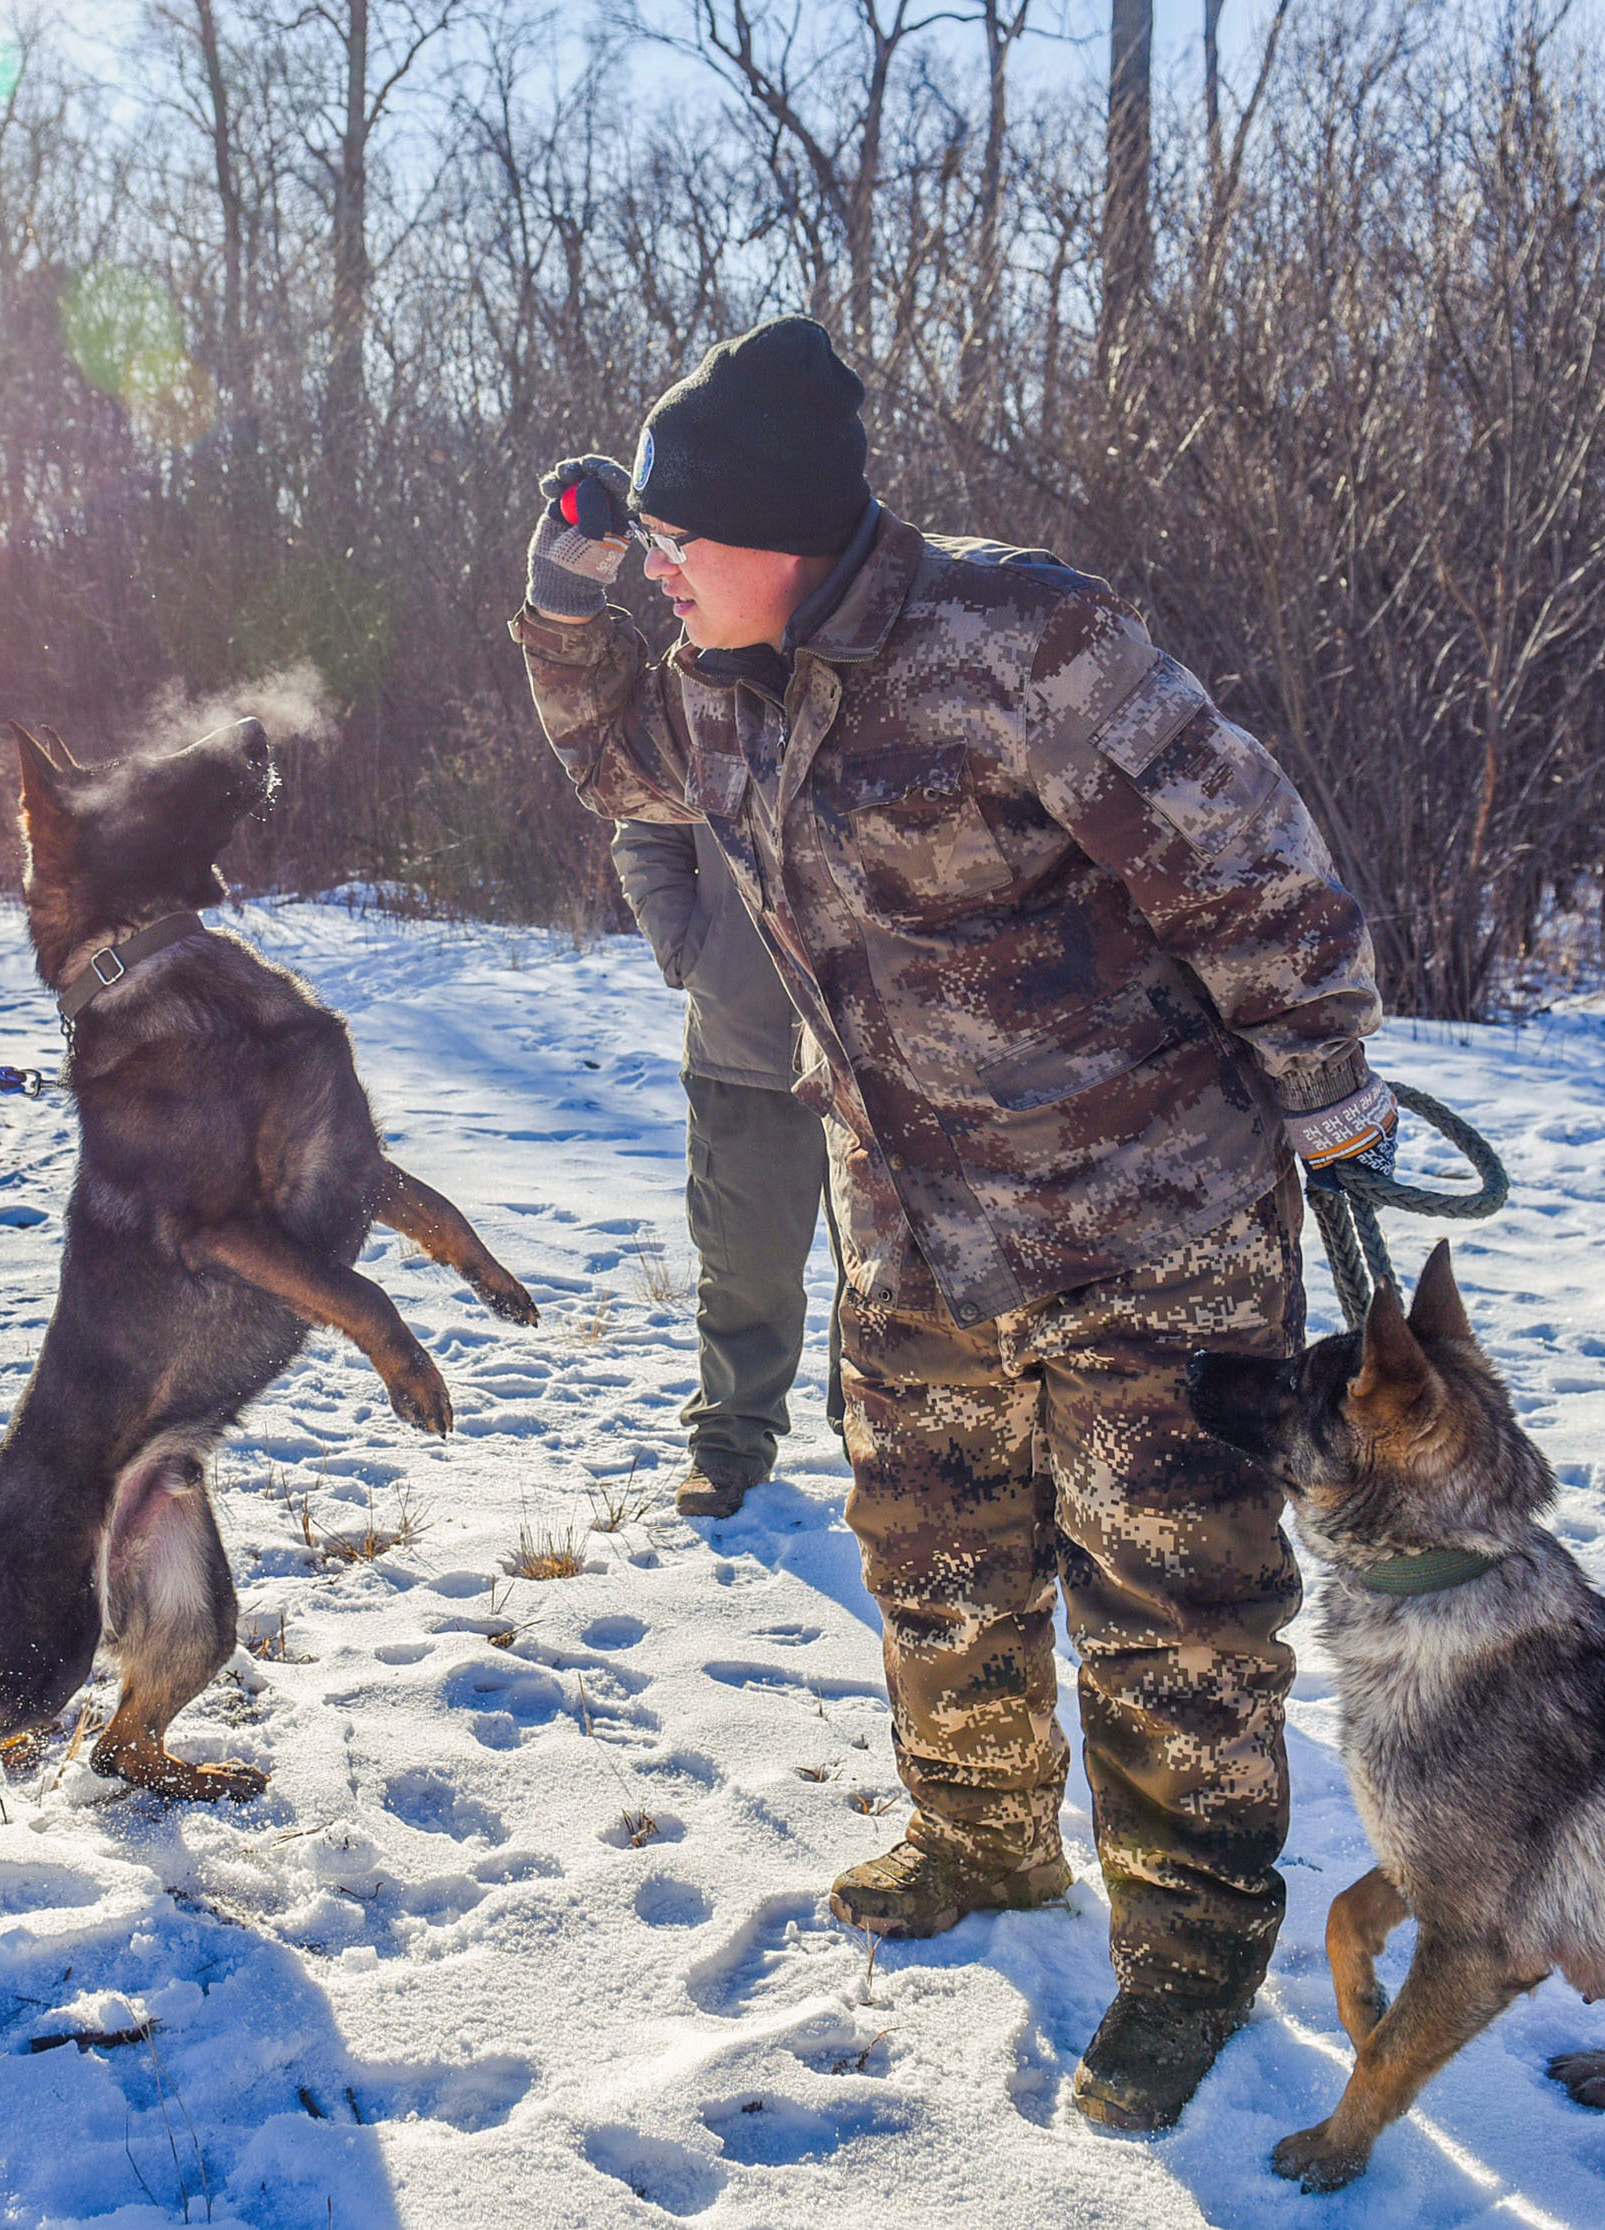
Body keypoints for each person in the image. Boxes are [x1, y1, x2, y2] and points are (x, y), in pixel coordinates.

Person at [513, 316, 1398, 2131]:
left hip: (1144, 1218)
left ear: (783, 527)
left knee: (1170, 1602)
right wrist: (565, 592)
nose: (659, 571)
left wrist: (1324, 1090)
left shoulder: (1022, 639)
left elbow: (1251, 862)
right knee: (935, 1552)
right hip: (912, 1223)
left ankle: (1188, 1950)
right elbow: (617, 771)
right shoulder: (716, 664)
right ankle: (983, 1841)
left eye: (681, 540)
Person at [609, 814, 842, 1518]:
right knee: (745, 1265)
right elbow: (645, 832)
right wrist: (690, 952)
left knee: (898, 1275)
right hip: (744, 1039)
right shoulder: (696, 701)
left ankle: (887, 1443)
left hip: (897, 1041)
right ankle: (730, 1447)